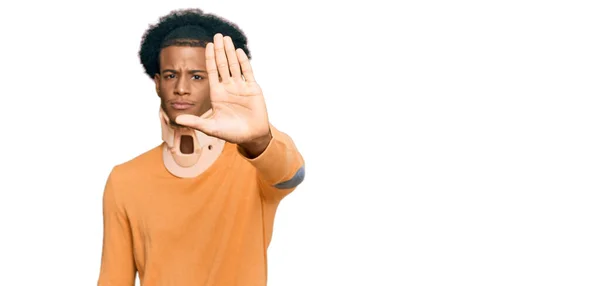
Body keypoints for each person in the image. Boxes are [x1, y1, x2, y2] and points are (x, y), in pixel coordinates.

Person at [97, 8, 305, 286]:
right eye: (171, 75)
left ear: (217, 82)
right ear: (157, 84)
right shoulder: (124, 180)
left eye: (197, 76)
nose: (181, 88)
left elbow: (291, 174)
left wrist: (257, 138)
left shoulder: (253, 165)